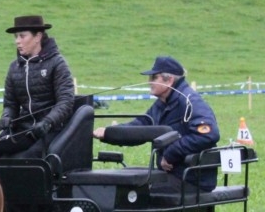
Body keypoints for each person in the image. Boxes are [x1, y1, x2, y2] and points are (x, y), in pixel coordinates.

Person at [92, 55, 220, 190]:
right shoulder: (162, 103)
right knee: (125, 180)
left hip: (191, 180)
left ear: (169, 80)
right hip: (172, 174)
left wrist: (170, 154)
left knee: (138, 190)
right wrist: (110, 133)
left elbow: (208, 134)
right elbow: (140, 126)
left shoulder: (190, 101)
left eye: (154, 77)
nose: (149, 82)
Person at [0, 14, 76, 158]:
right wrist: (7, 117)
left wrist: (48, 122)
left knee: (24, 159)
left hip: (51, 131)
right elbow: (10, 104)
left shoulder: (57, 64)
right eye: (16, 37)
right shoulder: (14, 68)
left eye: (22, 36)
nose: (17, 41)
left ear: (37, 36)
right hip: (25, 131)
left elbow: (66, 101)